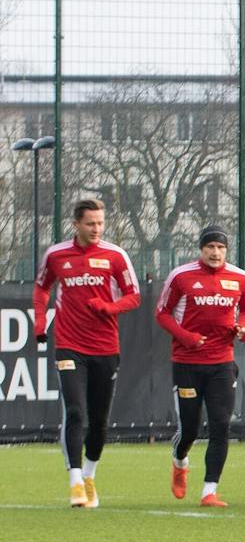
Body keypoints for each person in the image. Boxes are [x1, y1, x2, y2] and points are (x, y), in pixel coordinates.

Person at [33, 198, 141, 508]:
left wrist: (108, 307)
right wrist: (40, 321)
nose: (96, 229)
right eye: (90, 223)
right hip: (69, 344)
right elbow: (42, 288)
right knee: (75, 412)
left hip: (105, 347)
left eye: (100, 223)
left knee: (99, 420)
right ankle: (75, 481)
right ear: (76, 224)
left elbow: (133, 296)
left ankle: (90, 475)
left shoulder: (115, 256)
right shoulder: (56, 255)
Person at [155, 225, 245, 508]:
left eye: (220, 247)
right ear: (201, 249)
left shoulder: (240, 278)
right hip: (187, 363)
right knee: (190, 428)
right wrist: (186, 338)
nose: (215, 252)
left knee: (221, 425)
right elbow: (162, 313)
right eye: (210, 247)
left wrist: (243, 329)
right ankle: (179, 460)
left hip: (222, 363)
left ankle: (209, 491)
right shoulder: (181, 276)